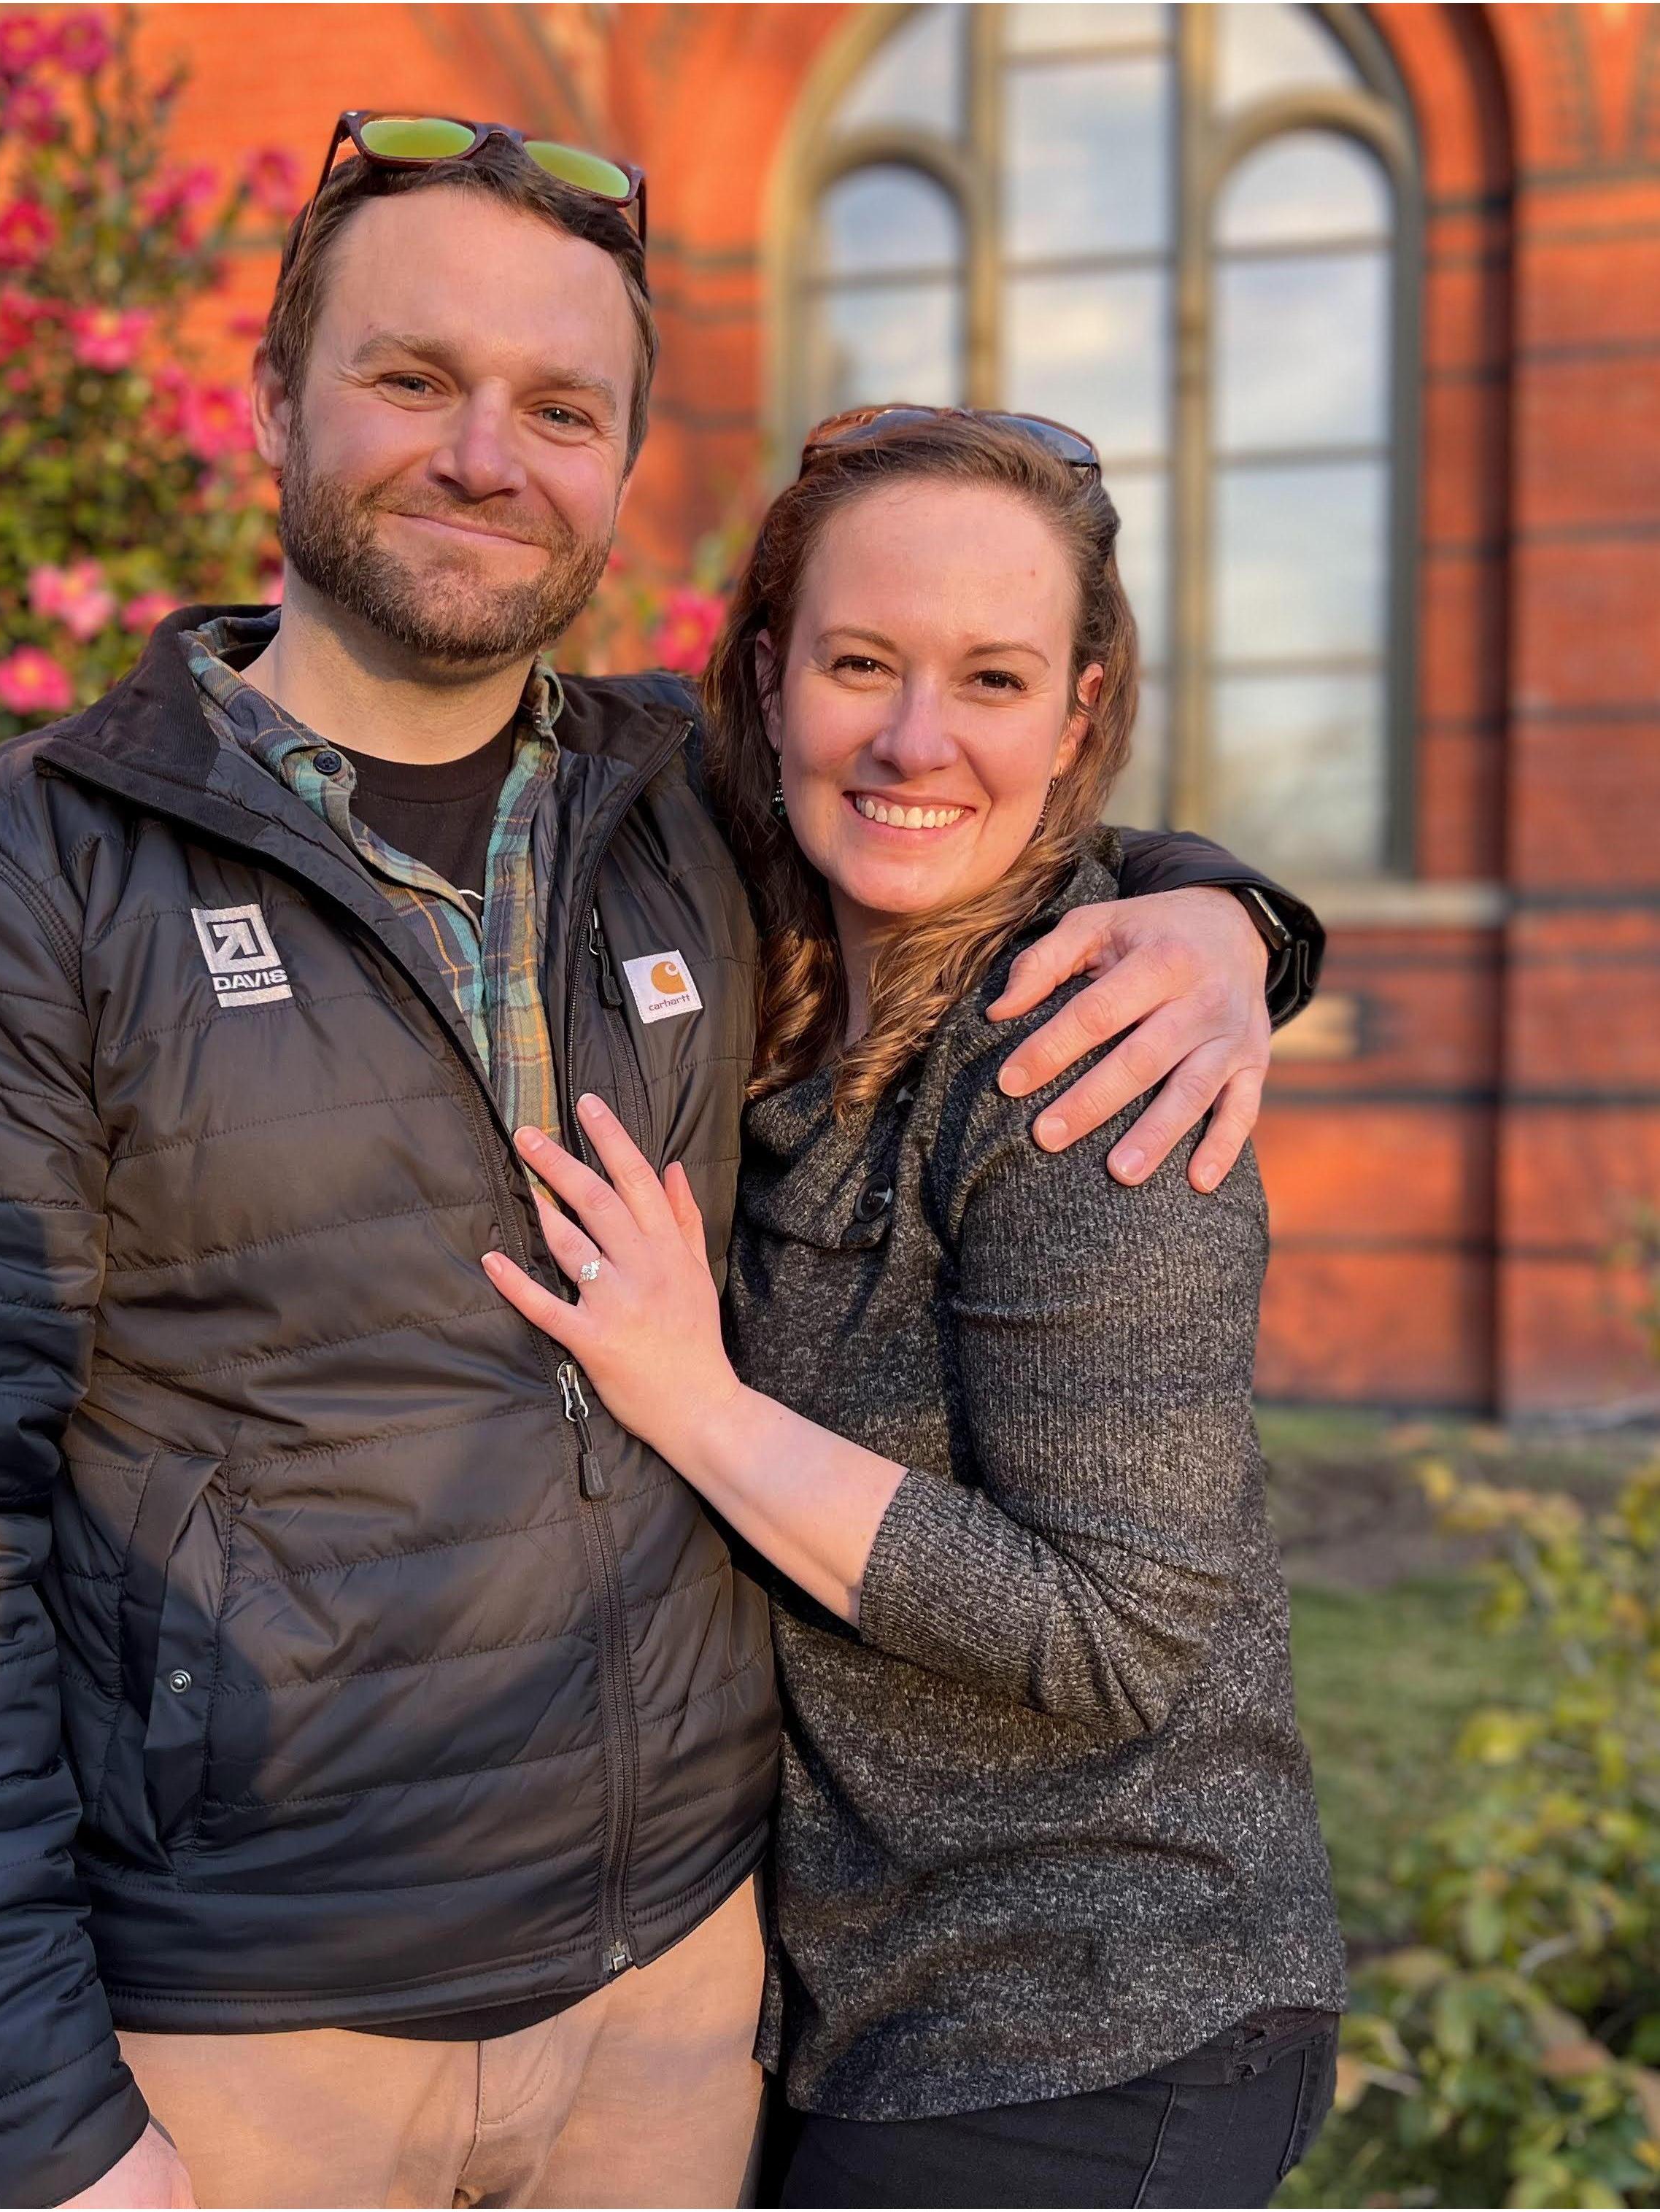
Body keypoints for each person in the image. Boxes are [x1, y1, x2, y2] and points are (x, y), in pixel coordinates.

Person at [0, 120, 1324, 2211]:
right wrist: (18, 2127)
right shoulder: (0, 888)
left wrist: (1228, 924)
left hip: (682, 2009)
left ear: (620, 465)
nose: (488, 454)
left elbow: (968, 819)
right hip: (250, 2033)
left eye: (560, 408)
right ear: (279, 401)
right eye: (413, 379)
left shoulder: (674, 811)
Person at [482, 407, 1348, 2211]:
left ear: (1079, 714)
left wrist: (688, 1396)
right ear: (766, 679)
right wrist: (1233, 907)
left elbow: (1112, 1628)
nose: (913, 736)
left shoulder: (1090, 1068)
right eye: (859, 662)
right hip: (867, 2001)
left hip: (1096, 2016)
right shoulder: (786, 961)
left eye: (993, 677)